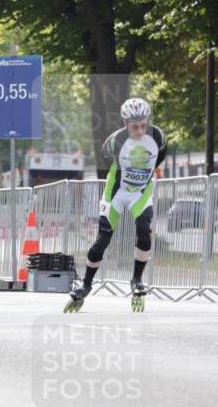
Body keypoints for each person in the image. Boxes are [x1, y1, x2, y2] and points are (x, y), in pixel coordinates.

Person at [65, 98, 167, 312]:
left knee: (143, 230)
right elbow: (103, 157)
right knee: (103, 239)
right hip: (116, 193)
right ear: (125, 124)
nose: (139, 131)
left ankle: (136, 280)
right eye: (134, 127)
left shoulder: (158, 136)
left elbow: (161, 155)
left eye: (143, 125)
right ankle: (86, 285)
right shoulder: (115, 141)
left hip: (139, 192)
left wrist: (145, 174)